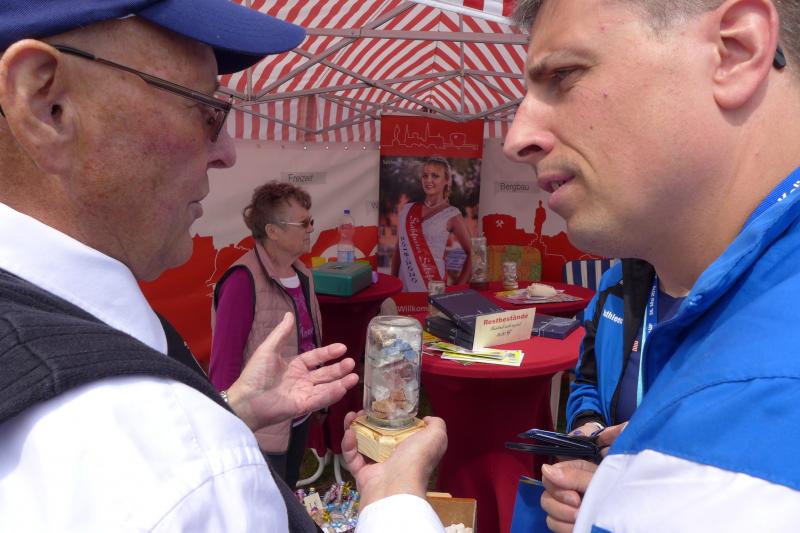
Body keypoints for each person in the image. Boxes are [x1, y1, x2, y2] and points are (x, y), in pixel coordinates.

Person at [0, 1, 447, 531]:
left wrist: (231, 408)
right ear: (46, 102)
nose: (228, 151)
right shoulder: (176, 463)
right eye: (206, 109)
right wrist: (394, 497)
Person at [504, 0, 800, 531]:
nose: (516, 138)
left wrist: (395, 504)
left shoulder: (766, 397)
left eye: (564, 75)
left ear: (736, 51)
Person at [210, 181, 322, 489]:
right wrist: (230, 428)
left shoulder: (302, 274)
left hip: (297, 414)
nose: (311, 228)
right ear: (273, 231)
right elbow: (224, 367)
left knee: (287, 493)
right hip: (259, 428)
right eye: (304, 223)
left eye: (311, 220)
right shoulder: (242, 281)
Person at [567, 259, 685, 438]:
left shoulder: (729, 299)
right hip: (610, 454)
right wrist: (589, 424)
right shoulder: (616, 280)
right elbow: (588, 380)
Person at [392, 155, 472, 291]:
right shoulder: (407, 209)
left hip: (432, 285)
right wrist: (393, 284)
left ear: (446, 180)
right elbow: (399, 248)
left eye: (435, 176)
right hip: (403, 284)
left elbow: (473, 253)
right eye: (425, 175)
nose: (428, 180)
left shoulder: (452, 214)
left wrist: (457, 289)